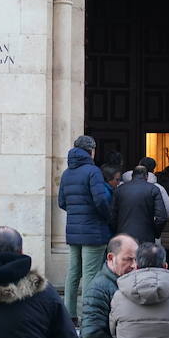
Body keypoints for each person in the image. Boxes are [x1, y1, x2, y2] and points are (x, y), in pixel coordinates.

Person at [57, 135, 112, 323]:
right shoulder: (92, 171)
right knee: (91, 274)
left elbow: (62, 202)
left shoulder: (66, 173)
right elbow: (100, 200)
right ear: (91, 150)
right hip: (93, 231)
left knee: (73, 272)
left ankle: (69, 314)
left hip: (73, 231)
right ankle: (89, 316)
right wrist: (107, 216)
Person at [111, 164, 167, 245]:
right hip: (146, 237)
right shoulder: (153, 189)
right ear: (147, 176)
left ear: (132, 176)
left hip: (123, 236)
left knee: (127, 257)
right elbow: (161, 217)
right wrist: (155, 233)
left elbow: (112, 216)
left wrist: (117, 231)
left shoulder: (119, 190)